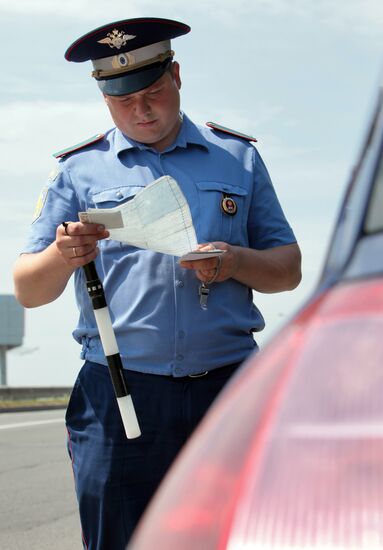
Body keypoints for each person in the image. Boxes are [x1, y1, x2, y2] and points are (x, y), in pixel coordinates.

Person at [13, 16, 301, 550]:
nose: (141, 111)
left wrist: (235, 260)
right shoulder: (79, 171)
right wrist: (63, 253)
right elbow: (29, 288)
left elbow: (289, 269)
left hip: (227, 389)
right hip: (120, 393)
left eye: (152, 93)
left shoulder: (238, 157)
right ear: (104, 100)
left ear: (177, 76)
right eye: (124, 102)